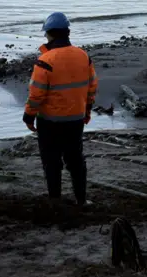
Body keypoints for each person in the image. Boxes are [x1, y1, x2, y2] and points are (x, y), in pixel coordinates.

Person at [23, 12, 97, 205]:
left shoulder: (45, 60)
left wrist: (28, 116)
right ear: (68, 32)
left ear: (48, 34)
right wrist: (87, 111)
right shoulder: (83, 56)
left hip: (50, 121)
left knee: (51, 162)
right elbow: (91, 88)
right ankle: (81, 199)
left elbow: (36, 95)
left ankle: (55, 199)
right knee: (76, 160)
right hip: (75, 119)